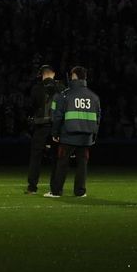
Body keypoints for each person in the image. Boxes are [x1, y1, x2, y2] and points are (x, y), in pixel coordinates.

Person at [45, 66, 99, 198]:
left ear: (74, 76)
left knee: (62, 163)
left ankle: (56, 191)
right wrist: (93, 136)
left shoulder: (65, 95)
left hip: (68, 136)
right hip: (86, 137)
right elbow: (97, 119)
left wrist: (55, 133)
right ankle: (80, 191)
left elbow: (57, 117)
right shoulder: (94, 97)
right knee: (82, 165)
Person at [25, 65, 63, 195]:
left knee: (36, 157)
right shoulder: (61, 88)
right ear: (53, 74)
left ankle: (32, 187)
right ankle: (55, 188)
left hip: (41, 126)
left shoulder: (36, 88)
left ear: (42, 74)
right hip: (56, 127)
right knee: (56, 159)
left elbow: (32, 105)